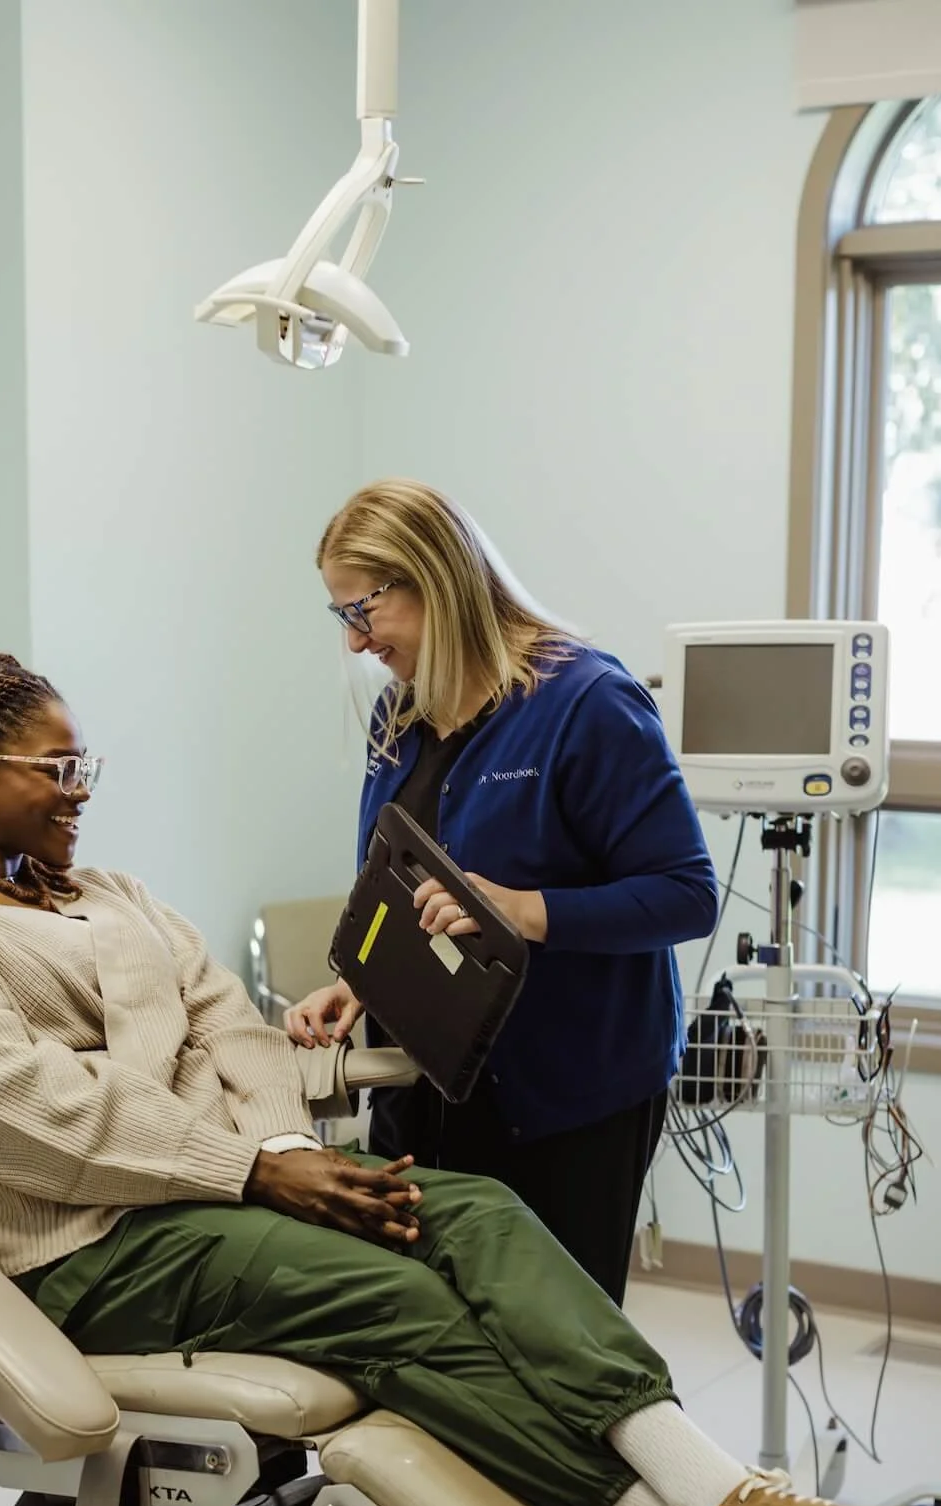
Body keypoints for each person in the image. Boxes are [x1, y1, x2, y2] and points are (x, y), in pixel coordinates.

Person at [0, 651, 941, 1506]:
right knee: (398, 1295)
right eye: (57, 769)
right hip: (85, 1250)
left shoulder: (112, 898)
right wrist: (251, 1170)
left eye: (86, 768)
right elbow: (21, 1115)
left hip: (206, 1190)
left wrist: (273, 1146)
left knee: (471, 1211)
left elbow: (235, 1030)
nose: (82, 793)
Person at [286, 480, 715, 1305]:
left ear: (434, 579)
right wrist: (357, 980)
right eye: (341, 616)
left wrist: (520, 910)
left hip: (569, 1096)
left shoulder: (586, 704)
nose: (354, 641)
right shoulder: (397, 720)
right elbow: (393, 895)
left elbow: (687, 895)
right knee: (436, 1331)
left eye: (362, 611)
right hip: (428, 1089)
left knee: (556, 1349)